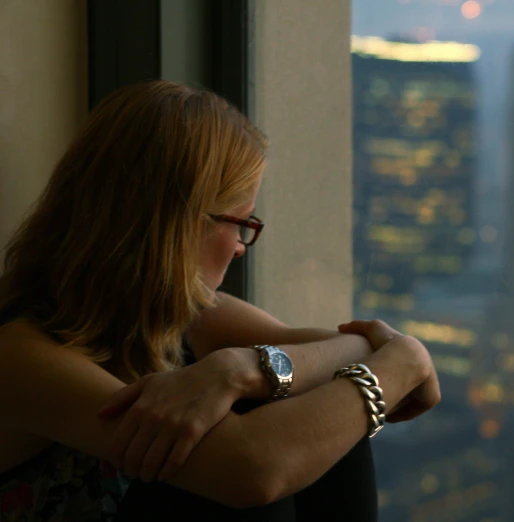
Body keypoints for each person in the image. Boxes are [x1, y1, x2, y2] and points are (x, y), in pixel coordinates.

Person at [0, 80, 441, 520]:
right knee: (291, 428)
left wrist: (243, 370)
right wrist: (404, 359)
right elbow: (252, 470)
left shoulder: (183, 315)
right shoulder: (19, 354)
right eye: (241, 220)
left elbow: (372, 359)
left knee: (323, 401)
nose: (240, 246)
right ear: (175, 223)